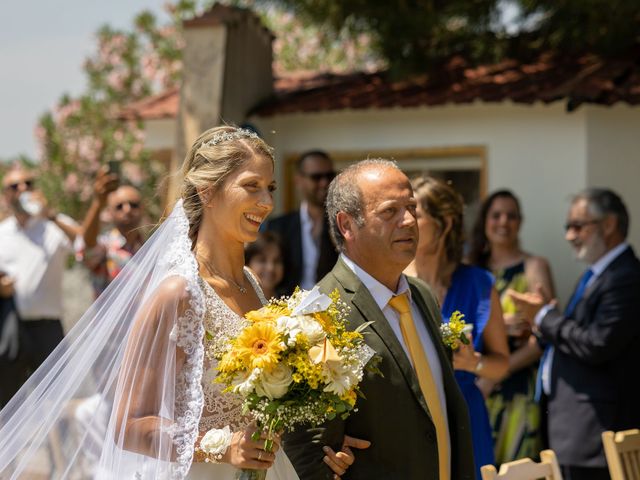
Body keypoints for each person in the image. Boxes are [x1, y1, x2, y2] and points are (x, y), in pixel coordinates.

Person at [0, 127, 357, 479]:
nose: (266, 202)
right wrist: (223, 446)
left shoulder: (251, 283)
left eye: (271, 188)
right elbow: (128, 425)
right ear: (207, 191)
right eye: (252, 186)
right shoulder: (179, 293)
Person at [284, 159, 475, 480]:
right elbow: (310, 452)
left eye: (412, 207)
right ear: (347, 225)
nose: (409, 220)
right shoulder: (318, 313)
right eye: (390, 211)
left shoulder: (422, 295)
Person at [510, 188, 640, 480]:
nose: (569, 236)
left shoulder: (625, 277)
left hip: (596, 434)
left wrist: (545, 316)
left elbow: (597, 343)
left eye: (578, 226)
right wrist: (540, 323)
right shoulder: (596, 274)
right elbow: (579, 337)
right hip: (578, 433)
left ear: (608, 225)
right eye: (568, 227)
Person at [404, 176, 509, 477]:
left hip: (466, 416)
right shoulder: (392, 282)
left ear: (445, 222)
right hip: (411, 419)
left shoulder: (479, 284)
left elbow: (501, 364)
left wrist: (472, 362)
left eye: (415, 212)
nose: (405, 220)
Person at [468, 189, 555, 465]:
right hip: (475, 387)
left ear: (520, 222)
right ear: (484, 221)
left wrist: (494, 375)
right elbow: (454, 324)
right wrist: (497, 325)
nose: (503, 222)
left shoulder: (533, 267)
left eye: (511, 216)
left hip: (517, 390)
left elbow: (547, 335)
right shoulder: (469, 269)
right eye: (496, 215)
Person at [0, 167, 79, 407]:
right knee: (8, 400)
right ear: (6, 196)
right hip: (11, 328)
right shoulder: (2, 233)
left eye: (28, 183)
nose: (22, 189)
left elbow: (84, 240)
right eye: (15, 186)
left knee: (57, 402)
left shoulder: (53, 224)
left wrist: (51, 215)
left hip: (48, 329)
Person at [264, 150, 338, 294]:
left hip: (336, 308)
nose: (324, 183)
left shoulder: (344, 224)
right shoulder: (279, 226)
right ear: (299, 180)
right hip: (288, 309)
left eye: (329, 176)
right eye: (316, 177)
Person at [79, 167, 146, 297]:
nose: (127, 210)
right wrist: (98, 203)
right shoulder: (105, 246)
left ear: (142, 209)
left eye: (134, 205)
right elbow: (89, 245)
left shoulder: (150, 247)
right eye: (119, 206)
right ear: (109, 213)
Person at [244, 231, 285, 300]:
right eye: (262, 260)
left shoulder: (293, 303)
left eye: (277, 261)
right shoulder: (238, 303)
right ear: (247, 263)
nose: (270, 268)